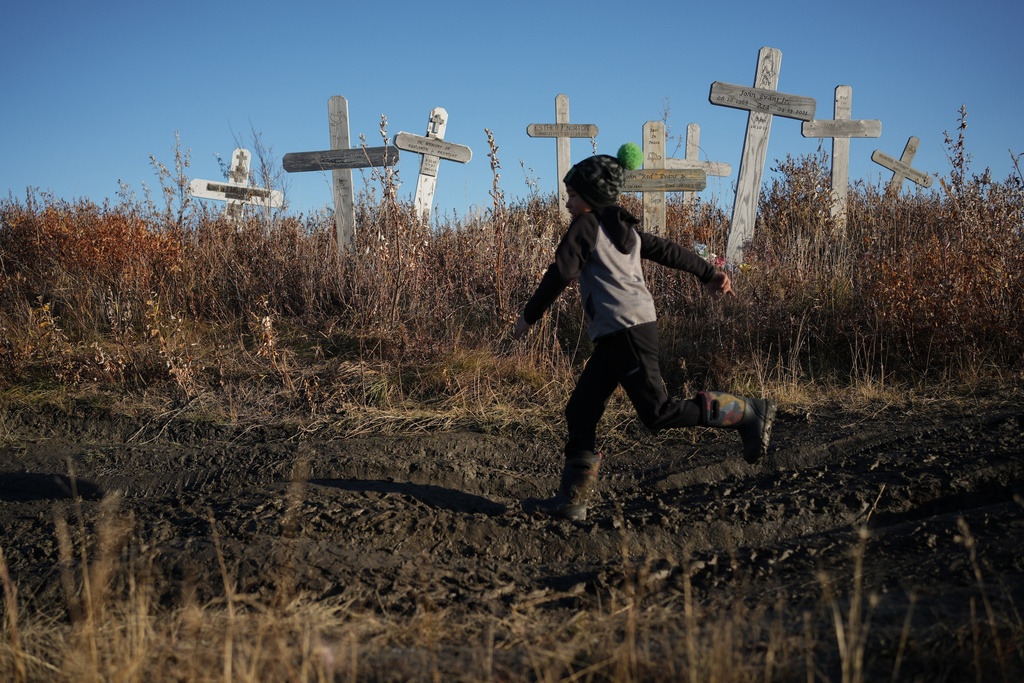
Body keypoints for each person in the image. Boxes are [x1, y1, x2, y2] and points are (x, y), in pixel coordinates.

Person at [511, 144, 776, 522]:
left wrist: (528, 317)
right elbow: (668, 250)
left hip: (628, 331)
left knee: (658, 413)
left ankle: (748, 412)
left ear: (591, 197)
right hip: (616, 334)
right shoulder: (625, 229)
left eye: (572, 195)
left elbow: (562, 272)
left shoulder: (585, 226)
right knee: (581, 409)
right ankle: (571, 502)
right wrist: (708, 273)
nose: (567, 203)